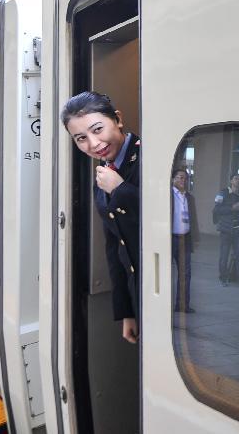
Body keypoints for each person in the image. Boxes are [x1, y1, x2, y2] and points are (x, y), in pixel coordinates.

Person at [61, 91, 141, 344]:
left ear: (117, 119)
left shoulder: (151, 157)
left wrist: (120, 191)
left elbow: (165, 220)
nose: (94, 144)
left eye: (98, 129)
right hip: (138, 291)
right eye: (81, 138)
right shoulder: (105, 172)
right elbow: (116, 245)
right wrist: (127, 311)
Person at [213, 173, 239, 288]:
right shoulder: (223, 193)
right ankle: (223, 278)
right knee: (224, 256)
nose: (238, 181)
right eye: (236, 179)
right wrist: (232, 208)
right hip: (226, 230)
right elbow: (216, 210)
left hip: (238, 230)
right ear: (231, 181)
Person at [171, 168, 199, 313]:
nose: (183, 181)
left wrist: (196, 237)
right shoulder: (168, 195)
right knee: (164, 272)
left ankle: (182, 305)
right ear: (173, 179)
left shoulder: (189, 197)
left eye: (185, 178)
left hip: (185, 239)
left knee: (185, 274)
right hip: (170, 239)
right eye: (180, 177)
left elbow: (193, 218)